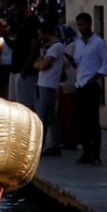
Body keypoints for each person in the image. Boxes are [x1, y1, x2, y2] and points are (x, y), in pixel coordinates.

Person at [69, 13, 107, 166]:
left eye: (83, 24)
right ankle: (86, 153)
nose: (81, 28)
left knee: (93, 121)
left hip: (92, 85)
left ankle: (96, 154)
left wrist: (95, 78)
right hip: (80, 85)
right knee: (82, 121)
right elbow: (79, 62)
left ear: (89, 24)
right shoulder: (78, 43)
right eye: (79, 25)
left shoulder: (99, 43)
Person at [33, 20, 66, 156]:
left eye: (41, 34)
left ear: (46, 33)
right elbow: (37, 64)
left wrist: (40, 63)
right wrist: (39, 64)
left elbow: (43, 65)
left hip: (48, 86)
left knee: (43, 118)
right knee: (50, 118)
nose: (40, 37)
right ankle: (54, 145)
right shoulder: (49, 47)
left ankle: (40, 148)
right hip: (43, 85)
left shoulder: (56, 47)